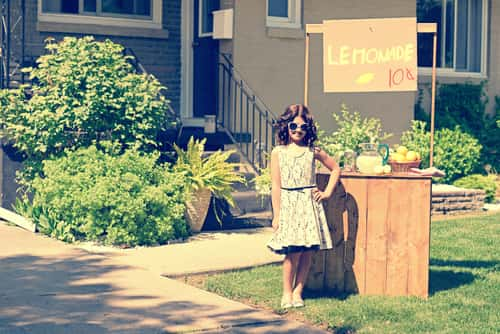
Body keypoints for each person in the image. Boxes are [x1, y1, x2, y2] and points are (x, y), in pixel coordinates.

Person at [267, 104, 341, 309]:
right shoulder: (278, 152)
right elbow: (276, 185)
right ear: (286, 126)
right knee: (292, 252)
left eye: (302, 127)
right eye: (293, 125)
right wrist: (277, 215)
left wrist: (326, 193)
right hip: (289, 205)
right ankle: (286, 293)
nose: (298, 130)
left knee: (307, 251)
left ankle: (298, 292)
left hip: (309, 205)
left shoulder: (313, 151)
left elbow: (335, 168)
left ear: (308, 129)